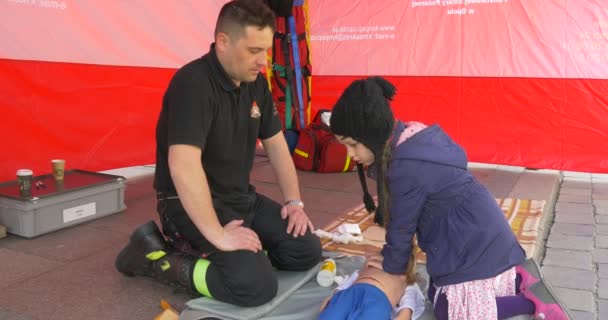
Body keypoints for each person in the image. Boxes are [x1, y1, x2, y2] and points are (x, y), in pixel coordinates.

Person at [114, 0, 321, 307]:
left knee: (306, 250)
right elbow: (183, 166)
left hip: (239, 199)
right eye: (253, 50)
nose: (263, 61)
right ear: (223, 42)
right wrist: (219, 235)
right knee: (255, 287)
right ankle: (154, 258)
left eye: (265, 50)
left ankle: (242, 254)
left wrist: (294, 202)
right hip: (185, 205)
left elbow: (277, 146)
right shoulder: (192, 84)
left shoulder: (255, 84)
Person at [329, 76, 570, 320]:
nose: (350, 155)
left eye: (353, 145)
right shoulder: (407, 137)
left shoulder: (405, 168)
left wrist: (392, 264)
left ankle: (530, 303)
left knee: (450, 311)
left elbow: (402, 226)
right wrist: (391, 256)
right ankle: (518, 277)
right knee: (436, 293)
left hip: (472, 242)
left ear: (373, 134)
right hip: (474, 234)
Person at [318, 246, 425, 320]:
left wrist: (405, 314)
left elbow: (409, 300)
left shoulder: (406, 280)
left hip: (377, 300)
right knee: (331, 315)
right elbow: (350, 281)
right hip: (351, 293)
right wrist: (336, 294)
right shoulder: (370, 264)